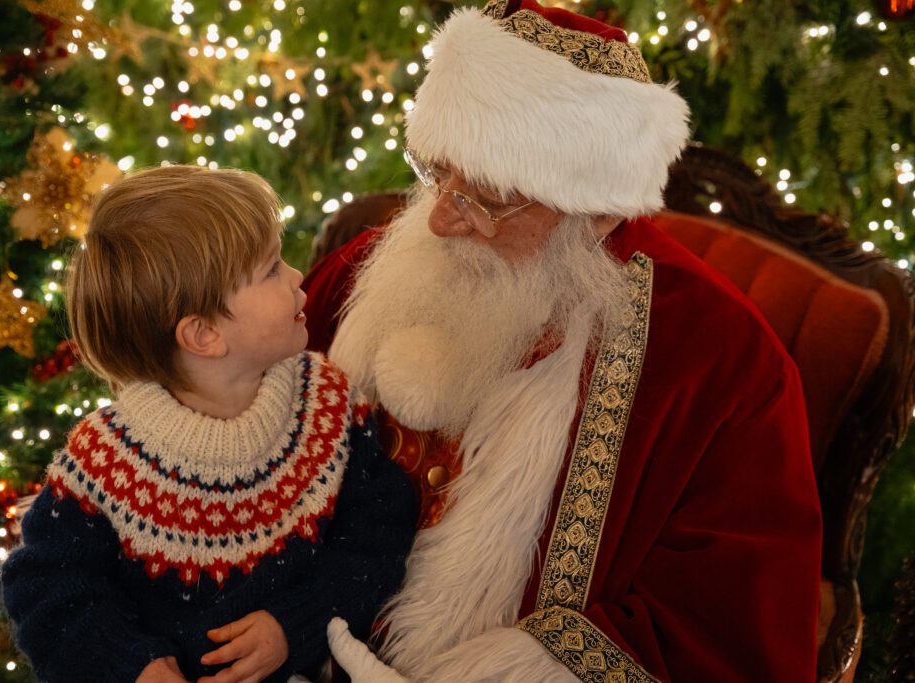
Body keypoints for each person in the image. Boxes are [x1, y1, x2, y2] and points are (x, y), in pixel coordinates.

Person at [303, 1, 823, 681]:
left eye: (486, 200)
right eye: (438, 172)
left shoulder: (721, 366)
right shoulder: (362, 273)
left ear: (598, 212)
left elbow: (723, 631)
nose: (438, 219)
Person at [0, 165, 417, 683]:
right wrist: (132, 665)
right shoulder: (103, 462)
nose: (294, 277)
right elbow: (47, 592)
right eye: (269, 270)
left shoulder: (327, 403)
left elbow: (377, 534)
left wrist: (295, 624)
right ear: (203, 334)